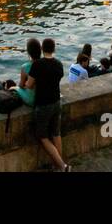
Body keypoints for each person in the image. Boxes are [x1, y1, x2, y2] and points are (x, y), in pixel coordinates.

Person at [25, 37, 69, 171]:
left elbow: (29, 85)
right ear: (54, 49)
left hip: (43, 105)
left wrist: (27, 83)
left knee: (42, 136)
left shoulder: (37, 64)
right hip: (56, 102)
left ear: (42, 49)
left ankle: (62, 166)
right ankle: (59, 165)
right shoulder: (59, 64)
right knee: (56, 134)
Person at [15, 38, 41, 106]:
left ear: (29, 52)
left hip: (32, 100)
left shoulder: (25, 67)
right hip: (45, 97)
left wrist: (26, 85)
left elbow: (21, 85)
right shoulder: (45, 63)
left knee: (13, 88)